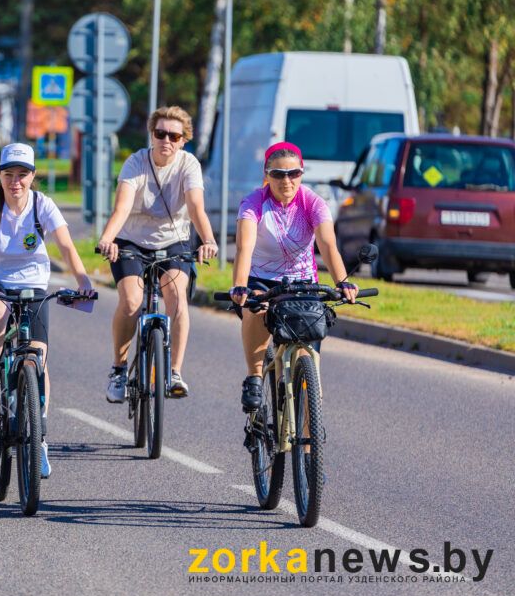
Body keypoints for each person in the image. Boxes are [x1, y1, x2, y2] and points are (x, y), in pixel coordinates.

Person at [0, 143, 94, 478]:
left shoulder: (43, 204)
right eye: (8, 174)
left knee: (38, 356)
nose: (15, 182)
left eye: (22, 175)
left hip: (32, 281)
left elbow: (66, 245)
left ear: (33, 176)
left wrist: (83, 279)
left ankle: (39, 438)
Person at [96, 106, 219, 403]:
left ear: (183, 140)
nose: (166, 140)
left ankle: (174, 372)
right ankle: (119, 369)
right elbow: (122, 208)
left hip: (174, 240)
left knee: (177, 300)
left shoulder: (189, 165)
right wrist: (107, 239)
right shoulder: (135, 162)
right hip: (131, 241)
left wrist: (208, 240)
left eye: (173, 136)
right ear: (151, 135)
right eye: (160, 133)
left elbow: (195, 208)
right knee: (131, 301)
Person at [231, 142, 358, 412]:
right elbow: (244, 248)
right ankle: (254, 376)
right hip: (261, 279)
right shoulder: (253, 203)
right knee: (256, 308)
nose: (286, 180)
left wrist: (342, 282)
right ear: (267, 175)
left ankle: (310, 448)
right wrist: (240, 286)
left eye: (293, 173)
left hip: (302, 282)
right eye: (277, 174)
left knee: (309, 376)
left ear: (301, 174)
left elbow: (328, 245)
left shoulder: (313, 203)